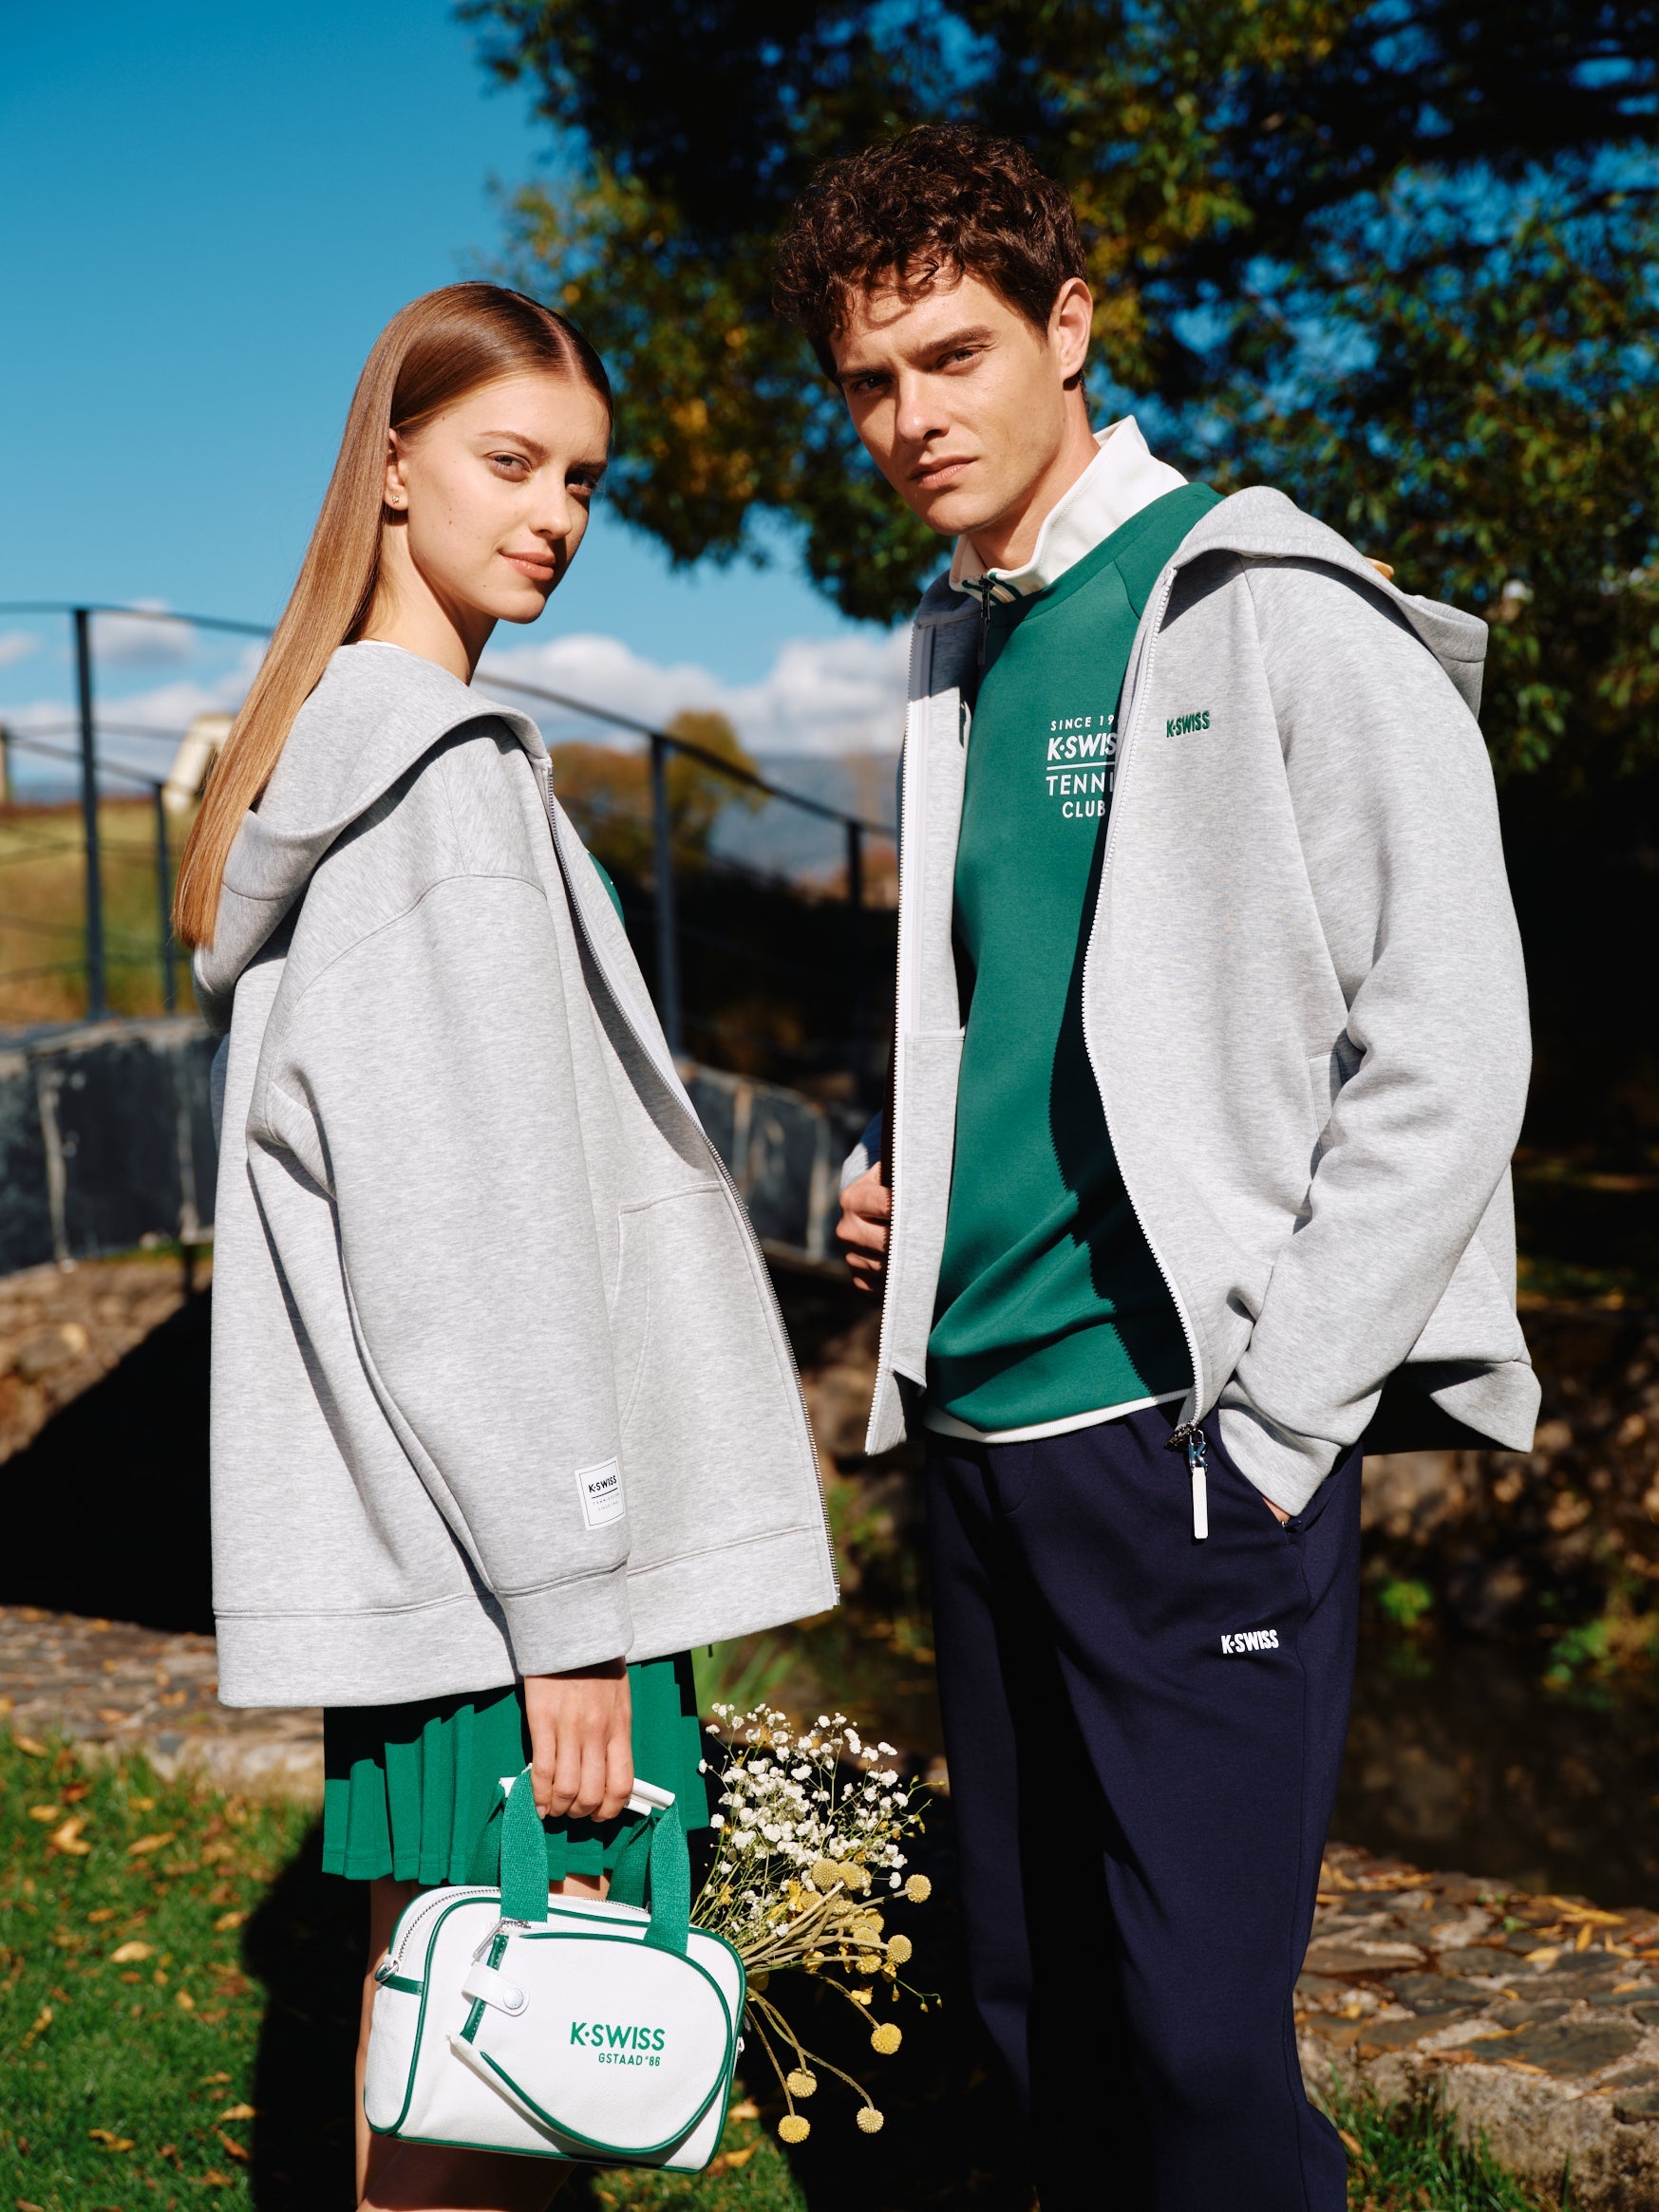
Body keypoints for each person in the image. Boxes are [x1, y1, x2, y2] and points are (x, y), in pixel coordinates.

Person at [779, 129, 1536, 2210]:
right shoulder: (954, 644)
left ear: (1070, 327)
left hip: (1183, 1437)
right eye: (867, 383)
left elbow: (1451, 1040)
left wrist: (1281, 1420)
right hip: (977, 1433)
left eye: (951, 355)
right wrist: (907, 1184)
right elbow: (1021, 1012)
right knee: (1040, 2004)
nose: (910, 418)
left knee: (1204, 2050)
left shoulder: (1269, 597)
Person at [174, 282, 837, 2212]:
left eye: (584, 481)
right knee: (503, 2117)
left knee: (450, 2060)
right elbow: (473, 1250)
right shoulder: (441, 791)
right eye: (511, 462)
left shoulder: (343, 765)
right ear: (395, 467)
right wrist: (573, 1615)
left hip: (450, 1565)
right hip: (513, 1586)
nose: (555, 515)